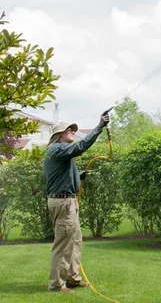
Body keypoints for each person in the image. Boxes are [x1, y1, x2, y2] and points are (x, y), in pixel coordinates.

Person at [43, 112, 110, 293]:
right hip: (64, 203)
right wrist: (99, 128)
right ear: (59, 135)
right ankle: (57, 285)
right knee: (63, 244)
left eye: (73, 129)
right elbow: (81, 146)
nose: (73, 131)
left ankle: (73, 278)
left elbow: (59, 177)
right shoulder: (56, 150)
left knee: (75, 240)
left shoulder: (61, 154)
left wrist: (79, 176)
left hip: (67, 202)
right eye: (69, 130)